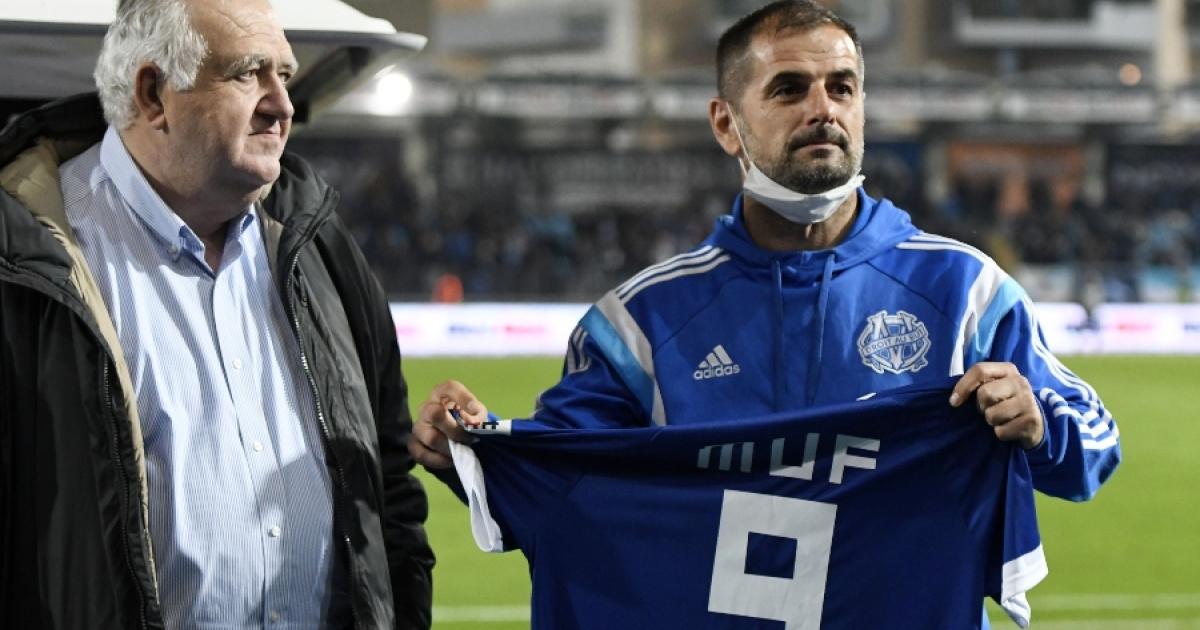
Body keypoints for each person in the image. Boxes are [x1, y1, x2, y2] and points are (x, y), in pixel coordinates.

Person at [411, 0, 1120, 620]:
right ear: (727, 123)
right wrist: (469, 452)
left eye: (842, 87)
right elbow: (558, 485)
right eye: (789, 89)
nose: (823, 109)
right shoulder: (640, 323)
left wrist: (1039, 424)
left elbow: (1097, 446)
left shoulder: (965, 290)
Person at [0, 0, 433, 628]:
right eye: (247, 73)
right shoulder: (24, 257)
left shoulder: (319, 245)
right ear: (153, 94)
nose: (281, 104)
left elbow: (387, 479)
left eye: (285, 74)